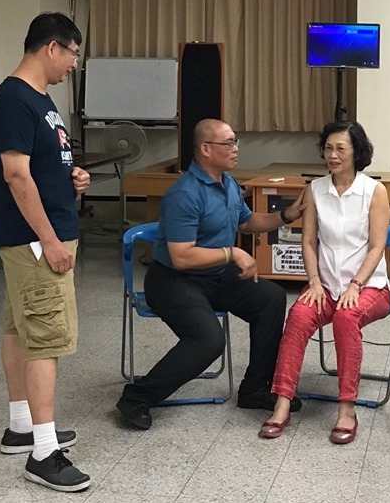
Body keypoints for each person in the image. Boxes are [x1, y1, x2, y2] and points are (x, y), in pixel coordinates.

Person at [116, 118, 305, 430]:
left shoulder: (227, 183)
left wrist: (286, 215)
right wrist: (233, 253)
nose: (236, 148)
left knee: (271, 299)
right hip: (173, 281)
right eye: (229, 143)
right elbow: (181, 256)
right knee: (208, 340)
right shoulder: (184, 194)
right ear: (205, 149)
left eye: (235, 141)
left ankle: (255, 388)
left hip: (215, 275)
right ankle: (137, 397)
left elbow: (247, 222)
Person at [0, 12, 91, 492]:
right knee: (46, 337)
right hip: (35, 242)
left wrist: (73, 178)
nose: (73, 64)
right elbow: (16, 174)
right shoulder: (13, 99)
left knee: (19, 328)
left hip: (39, 236)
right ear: (51, 47)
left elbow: (42, 166)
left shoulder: (41, 100)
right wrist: (48, 239)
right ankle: (44, 453)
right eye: (72, 54)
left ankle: (21, 426)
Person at [259, 121, 390, 445]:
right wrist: (314, 281)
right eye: (328, 148)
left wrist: (356, 285)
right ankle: (282, 404)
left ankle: (347, 409)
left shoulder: (374, 191)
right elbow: (308, 242)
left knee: (346, 317)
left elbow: (377, 246)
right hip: (326, 286)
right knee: (298, 316)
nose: (333, 155)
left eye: (340, 149)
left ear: (357, 152)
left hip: (368, 287)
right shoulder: (315, 189)